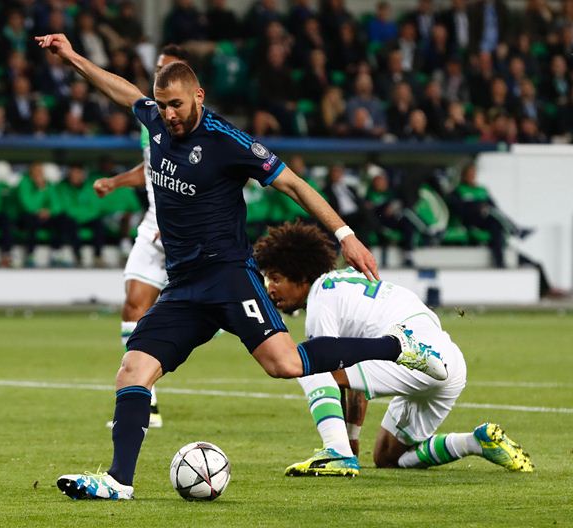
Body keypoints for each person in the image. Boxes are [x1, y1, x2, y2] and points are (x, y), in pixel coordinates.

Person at [35, 32, 443, 501]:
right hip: (183, 286)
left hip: (228, 276)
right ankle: (118, 481)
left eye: (176, 104)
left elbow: (294, 185)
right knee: (132, 369)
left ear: (198, 96)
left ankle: (397, 346)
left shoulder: (227, 141)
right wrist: (72, 57)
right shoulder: (156, 121)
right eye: (162, 105)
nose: (168, 114)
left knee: (285, 364)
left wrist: (345, 235)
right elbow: (123, 91)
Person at [254, 221, 534, 477]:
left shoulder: (321, 294)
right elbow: (350, 373)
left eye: (276, 278)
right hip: (447, 360)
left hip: (407, 349)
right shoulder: (346, 283)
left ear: (302, 276)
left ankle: (336, 453)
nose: (270, 289)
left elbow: (327, 367)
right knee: (388, 457)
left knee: (305, 363)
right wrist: (352, 438)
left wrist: (344, 446)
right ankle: (475, 442)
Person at [92, 44, 192, 429]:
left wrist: (180, 215)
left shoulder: (194, 123)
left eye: (169, 68)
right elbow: (151, 167)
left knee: (210, 309)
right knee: (134, 304)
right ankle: (145, 399)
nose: (160, 75)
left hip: (188, 226)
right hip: (154, 224)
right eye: (158, 69)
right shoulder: (151, 119)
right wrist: (116, 182)